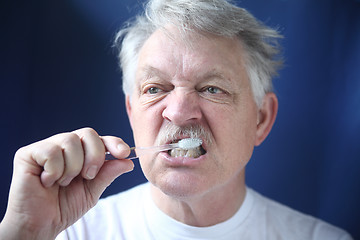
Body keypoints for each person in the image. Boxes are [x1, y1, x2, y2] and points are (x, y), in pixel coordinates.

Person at [0, 0, 353, 239]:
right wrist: (22, 232)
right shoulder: (74, 233)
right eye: (155, 89)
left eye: (212, 89)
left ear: (261, 119)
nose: (179, 112)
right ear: (131, 112)